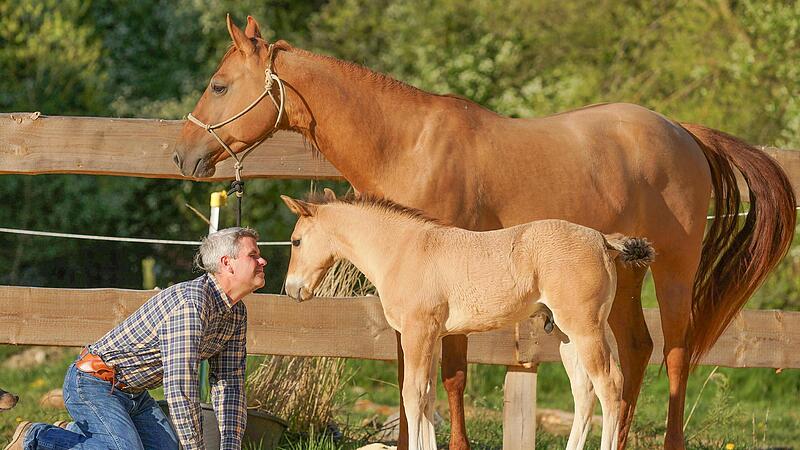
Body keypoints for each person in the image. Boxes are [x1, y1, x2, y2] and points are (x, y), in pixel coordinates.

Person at [6, 227, 267, 450]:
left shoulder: (236, 312)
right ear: (227, 263)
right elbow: (180, 388)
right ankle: (36, 437)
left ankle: (80, 435)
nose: (263, 261)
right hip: (93, 383)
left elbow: (229, 382)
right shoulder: (192, 304)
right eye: (253, 255)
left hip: (135, 395)